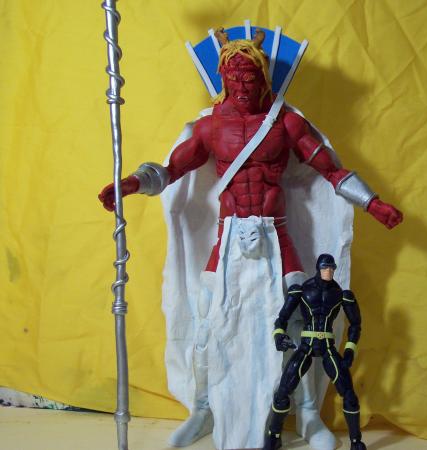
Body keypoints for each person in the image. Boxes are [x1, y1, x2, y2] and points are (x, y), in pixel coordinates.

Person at [99, 28, 401, 449]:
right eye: (234, 77)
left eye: (250, 77)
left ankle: (307, 412)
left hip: (277, 233)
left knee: (302, 321)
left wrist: (373, 203)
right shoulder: (210, 127)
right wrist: (131, 183)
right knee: (206, 319)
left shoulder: (287, 123)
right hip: (228, 235)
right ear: (223, 78)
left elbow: (332, 171)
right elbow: (170, 170)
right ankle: (203, 409)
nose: (242, 85)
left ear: (264, 77)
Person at [264, 254, 366, 450]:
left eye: (332, 267)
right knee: (283, 391)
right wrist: (278, 336)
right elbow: (281, 319)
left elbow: (356, 325)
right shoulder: (302, 290)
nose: (329, 271)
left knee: (349, 395)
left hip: (328, 347)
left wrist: (350, 350)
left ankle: (356, 441)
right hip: (306, 346)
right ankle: (274, 436)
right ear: (318, 268)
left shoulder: (341, 294)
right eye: (325, 267)